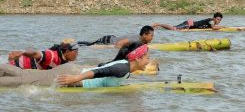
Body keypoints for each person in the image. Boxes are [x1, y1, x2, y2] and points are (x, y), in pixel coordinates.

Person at [0, 42, 151, 88]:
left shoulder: (125, 67)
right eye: (147, 58)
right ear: (137, 58)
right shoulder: (123, 68)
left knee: (25, 75)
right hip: (73, 76)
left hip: (73, 71)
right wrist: (74, 79)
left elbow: (101, 67)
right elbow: (99, 72)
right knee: (22, 81)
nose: (149, 61)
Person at [8, 39, 79, 70]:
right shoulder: (51, 56)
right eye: (75, 52)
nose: (77, 54)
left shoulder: (65, 59)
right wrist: (23, 52)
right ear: (67, 52)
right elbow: (36, 53)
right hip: (15, 66)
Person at [77, 25, 154, 48]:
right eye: (151, 35)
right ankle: (76, 44)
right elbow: (119, 44)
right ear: (144, 35)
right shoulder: (135, 40)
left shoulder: (142, 40)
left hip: (113, 38)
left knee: (90, 43)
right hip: (108, 40)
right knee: (89, 45)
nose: (152, 37)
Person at [152, 12, 224, 30]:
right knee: (174, 28)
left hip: (190, 23)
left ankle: (159, 26)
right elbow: (214, 28)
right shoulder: (211, 20)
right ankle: (158, 24)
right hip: (189, 24)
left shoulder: (212, 21)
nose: (218, 21)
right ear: (214, 18)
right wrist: (223, 27)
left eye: (220, 20)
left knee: (174, 28)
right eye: (217, 19)